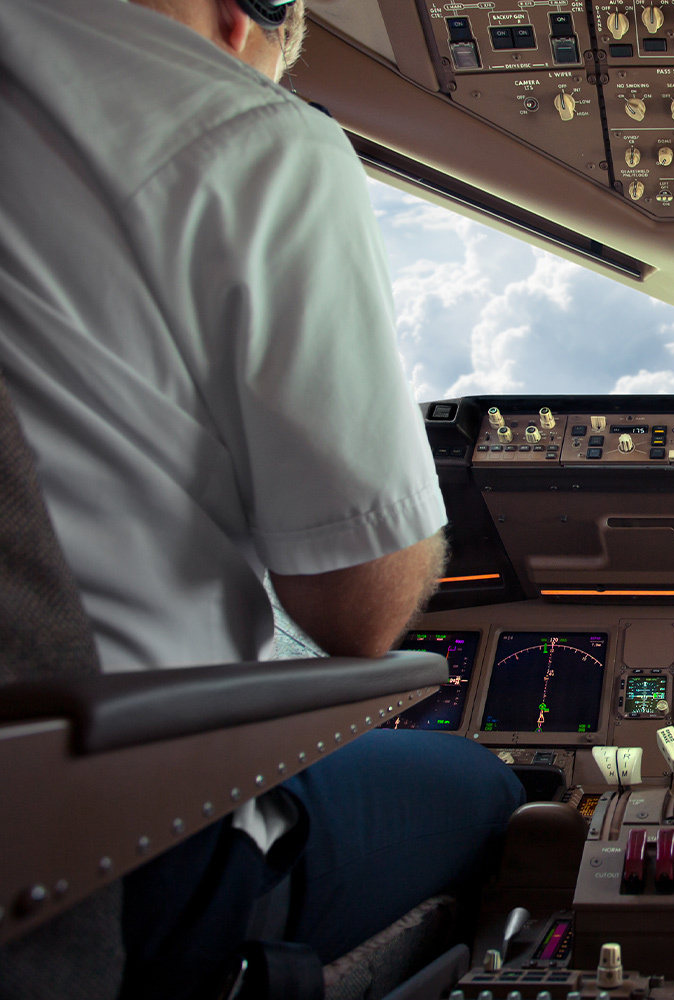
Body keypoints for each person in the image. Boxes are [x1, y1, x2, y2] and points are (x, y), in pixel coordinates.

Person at [0, 0, 522, 994]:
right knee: (496, 789)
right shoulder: (239, 126)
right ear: (250, 22)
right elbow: (359, 613)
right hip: (119, 849)